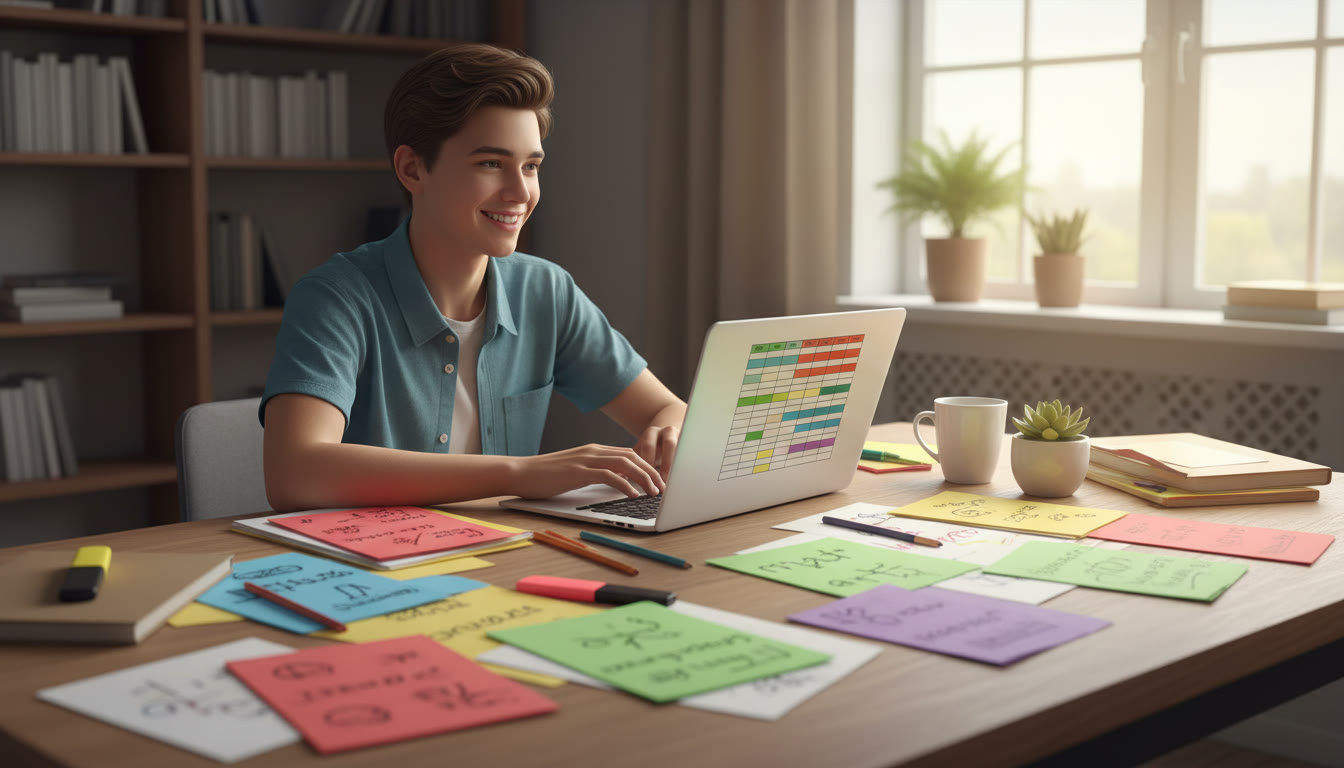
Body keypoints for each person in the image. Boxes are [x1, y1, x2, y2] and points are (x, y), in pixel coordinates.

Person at [259, 43, 686, 513]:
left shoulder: (545, 291)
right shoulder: (336, 297)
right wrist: (521, 473)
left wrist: (666, 439)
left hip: (503, 556)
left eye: (531, 166)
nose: (520, 192)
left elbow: (669, 410)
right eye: (490, 163)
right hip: (376, 571)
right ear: (412, 169)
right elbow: (294, 473)